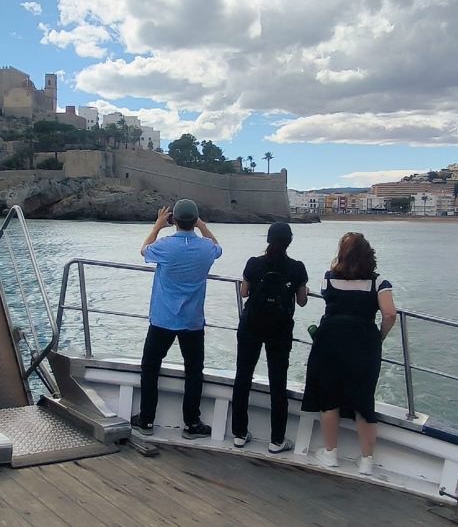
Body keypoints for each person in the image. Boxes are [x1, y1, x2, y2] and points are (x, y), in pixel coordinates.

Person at [300, 232, 397, 476]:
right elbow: (389, 314)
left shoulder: (328, 278)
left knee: (328, 396)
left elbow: (327, 299)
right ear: (368, 254)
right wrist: (379, 337)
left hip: (329, 340)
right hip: (364, 342)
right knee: (364, 400)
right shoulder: (379, 282)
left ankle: (331, 453)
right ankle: (366, 461)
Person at [130, 199, 222, 439]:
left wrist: (157, 226)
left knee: (150, 368)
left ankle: (146, 420)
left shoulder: (165, 246)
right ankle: (192, 424)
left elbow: (144, 250)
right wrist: (201, 225)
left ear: (174, 221)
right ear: (195, 220)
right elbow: (217, 246)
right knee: (194, 371)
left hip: (163, 319)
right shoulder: (206, 248)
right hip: (192, 321)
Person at [231, 222, 308, 454]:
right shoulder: (297, 268)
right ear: (289, 241)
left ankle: (239, 434)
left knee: (243, 377)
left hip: (251, 326)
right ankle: (276, 441)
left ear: (268, 239)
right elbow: (302, 301)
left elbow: (244, 292)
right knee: (278, 382)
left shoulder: (254, 263)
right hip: (280, 329)